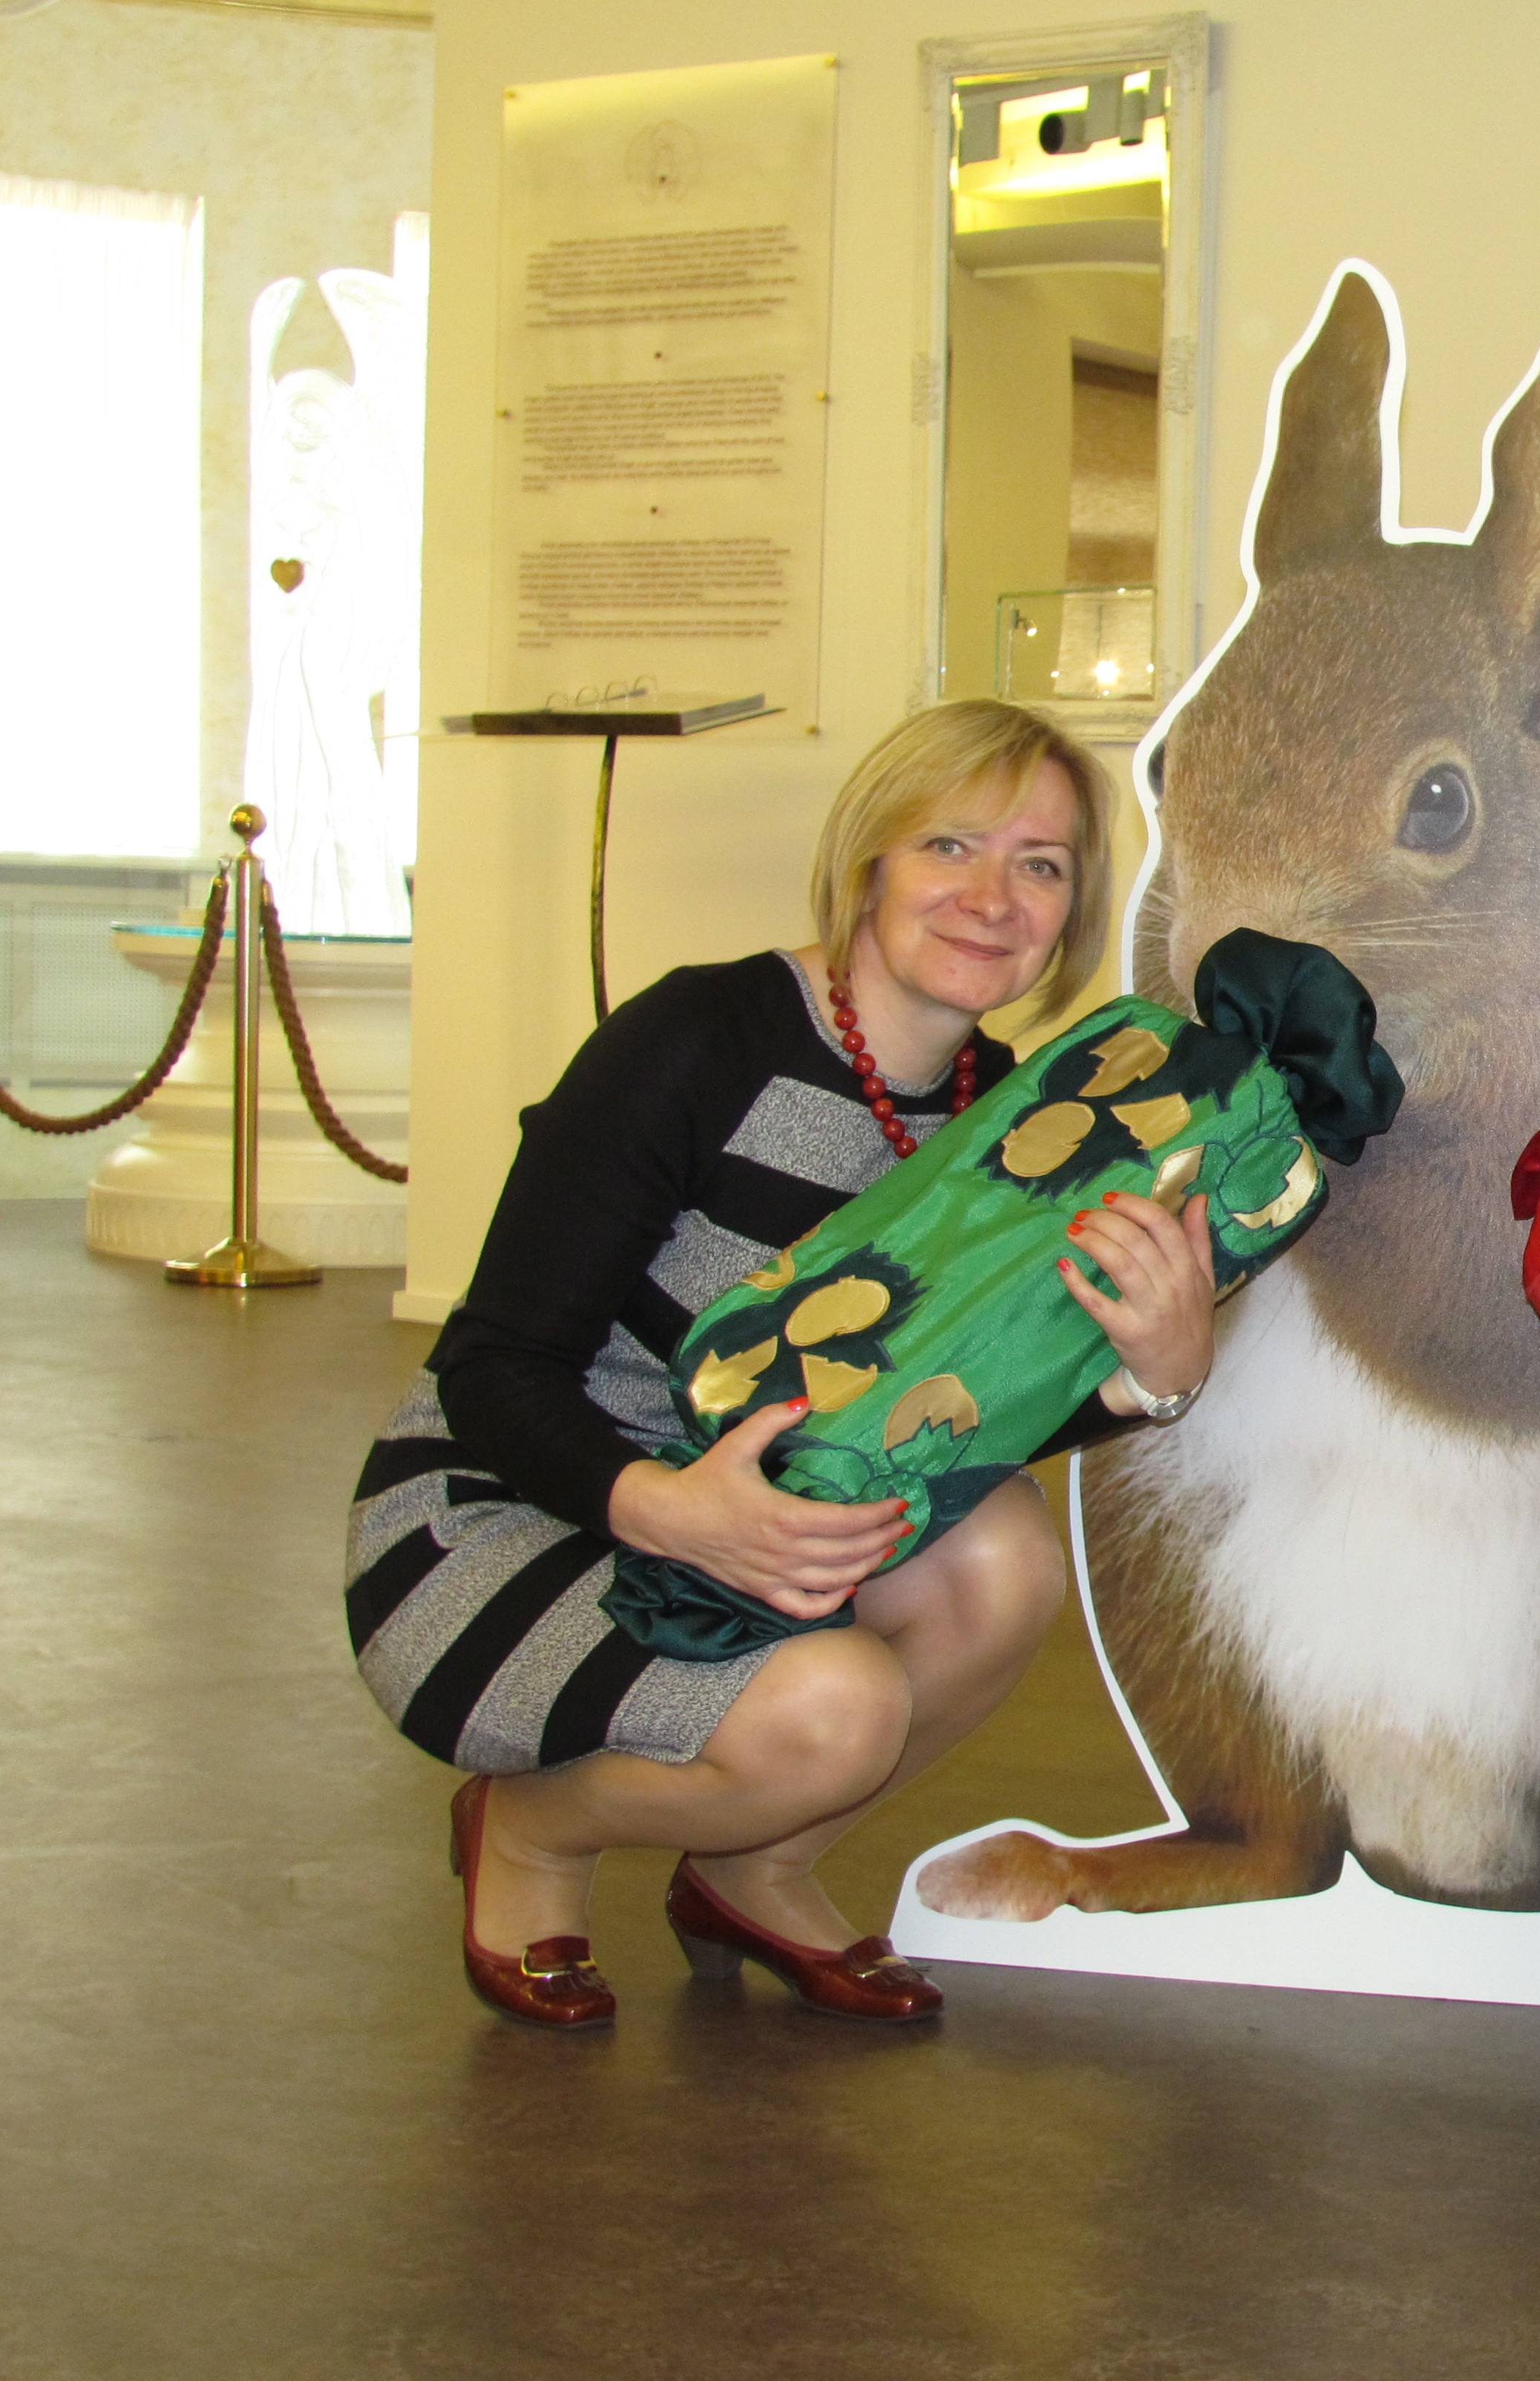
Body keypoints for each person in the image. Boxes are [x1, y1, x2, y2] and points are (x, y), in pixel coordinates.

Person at [346, 700, 1220, 2030]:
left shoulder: (1016, 1115)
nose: (992, 897)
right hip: (513, 1509)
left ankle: (754, 1866)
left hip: (765, 1511)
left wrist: (1155, 1371)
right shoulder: (700, 1040)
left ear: (1072, 910)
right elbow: (494, 1366)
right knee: (834, 1710)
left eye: (1039, 865)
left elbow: (958, 1420)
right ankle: (529, 1827)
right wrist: (669, 1510)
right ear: (869, 862)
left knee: (1004, 1559)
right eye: (950, 845)